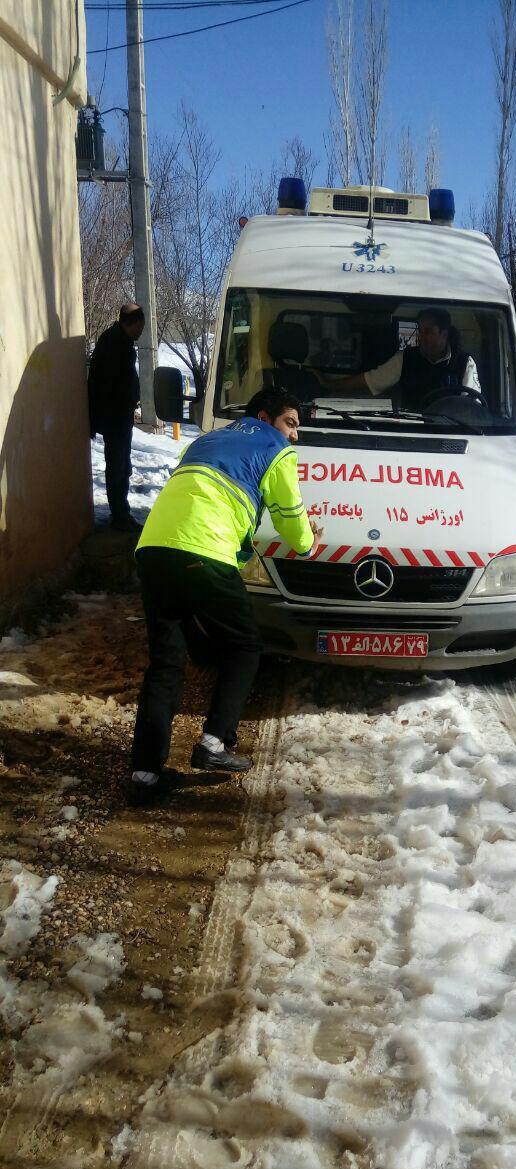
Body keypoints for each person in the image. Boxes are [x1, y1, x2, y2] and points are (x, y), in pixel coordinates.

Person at [129, 388, 320, 804]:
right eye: (291, 422)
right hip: (204, 551)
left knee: (165, 665)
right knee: (245, 647)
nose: (294, 435)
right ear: (266, 417)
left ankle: (145, 776)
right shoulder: (275, 449)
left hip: (154, 549)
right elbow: (291, 518)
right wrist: (308, 544)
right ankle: (214, 745)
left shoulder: (207, 439)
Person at [327, 307, 481, 411]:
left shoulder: (464, 363)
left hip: (450, 432)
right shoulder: (406, 357)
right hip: (409, 429)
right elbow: (371, 380)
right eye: (419, 330)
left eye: (428, 332)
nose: (421, 337)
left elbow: (471, 407)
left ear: (444, 334)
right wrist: (330, 385)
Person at [87, 303, 145, 532]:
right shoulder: (117, 343)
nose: (141, 332)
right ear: (132, 323)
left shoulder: (116, 339)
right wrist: (125, 404)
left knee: (121, 464)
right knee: (118, 466)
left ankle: (122, 512)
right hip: (115, 418)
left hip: (117, 417)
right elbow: (111, 384)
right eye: (140, 327)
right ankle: (120, 515)